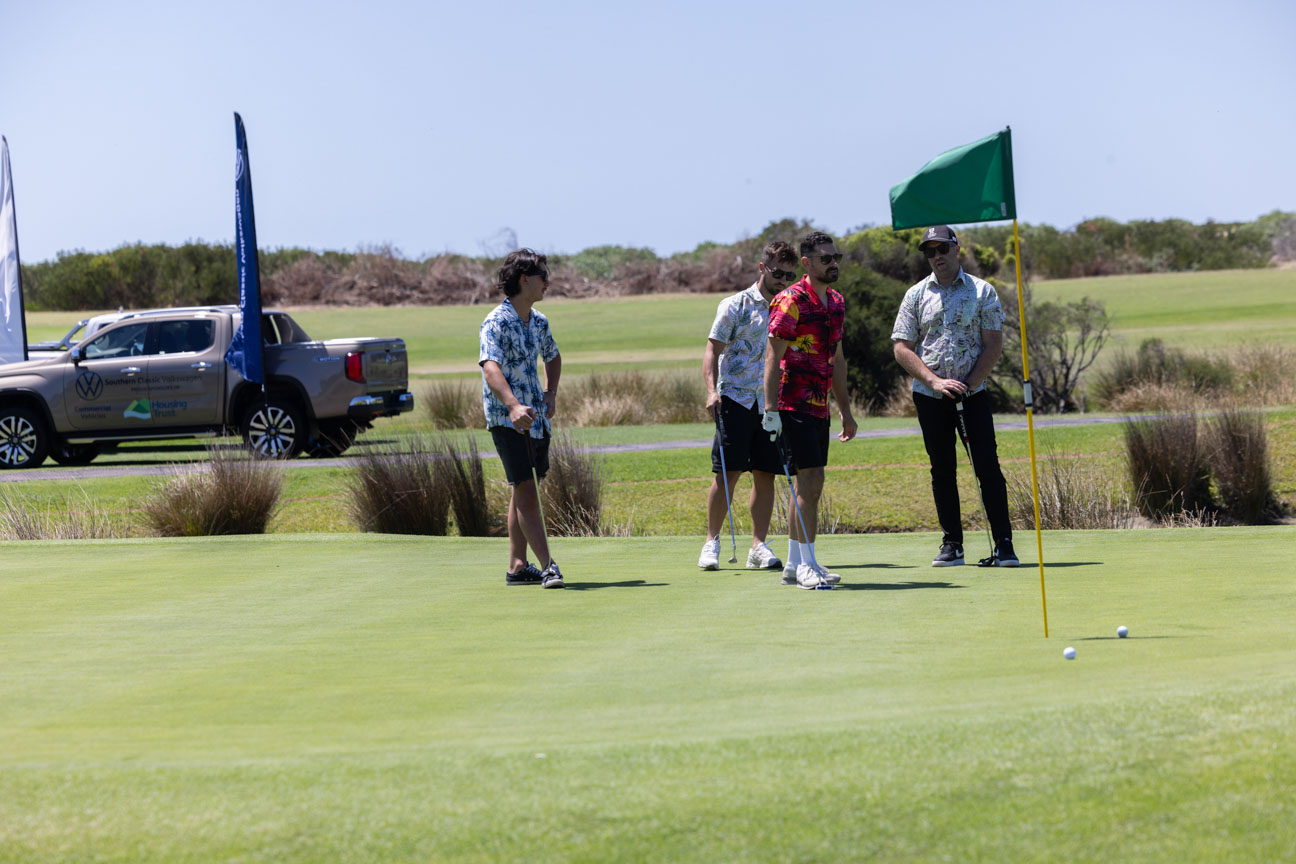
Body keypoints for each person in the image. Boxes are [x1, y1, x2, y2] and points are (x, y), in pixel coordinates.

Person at [891, 225, 1018, 567]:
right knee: (942, 470)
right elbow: (902, 348)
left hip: (972, 395)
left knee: (987, 468)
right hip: (930, 397)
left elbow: (993, 345)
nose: (937, 256)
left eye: (942, 249)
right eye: (930, 251)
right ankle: (952, 544)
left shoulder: (982, 291)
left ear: (956, 249)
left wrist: (969, 384)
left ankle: (1004, 543)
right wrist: (934, 382)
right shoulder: (916, 295)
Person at [762, 231, 858, 589]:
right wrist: (770, 410)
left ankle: (793, 563)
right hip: (792, 403)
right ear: (807, 263)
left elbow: (838, 359)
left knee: (808, 485)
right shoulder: (791, 300)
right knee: (812, 479)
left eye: (836, 257)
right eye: (825, 258)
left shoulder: (836, 302)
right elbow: (772, 356)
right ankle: (807, 564)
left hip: (819, 405)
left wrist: (845, 410)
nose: (833, 263)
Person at [699, 241, 800, 573]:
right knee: (727, 473)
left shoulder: (792, 307)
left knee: (765, 474)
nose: (783, 280)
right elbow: (712, 350)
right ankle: (712, 541)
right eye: (777, 272)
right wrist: (711, 391)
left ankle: (758, 546)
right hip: (735, 399)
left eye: (789, 275)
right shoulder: (736, 304)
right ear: (762, 268)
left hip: (771, 404)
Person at [479, 248, 565, 588]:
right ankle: (548, 566)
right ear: (524, 280)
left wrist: (550, 393)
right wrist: (513, 406)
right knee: (527, 491)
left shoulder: (539, 321)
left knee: (523, 489)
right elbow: (490, 367)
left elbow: (553, 356)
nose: (548, 282)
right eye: (543, 276)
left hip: (537, 420)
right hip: (507, 420)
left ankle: (517, 566)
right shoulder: (495, 322)